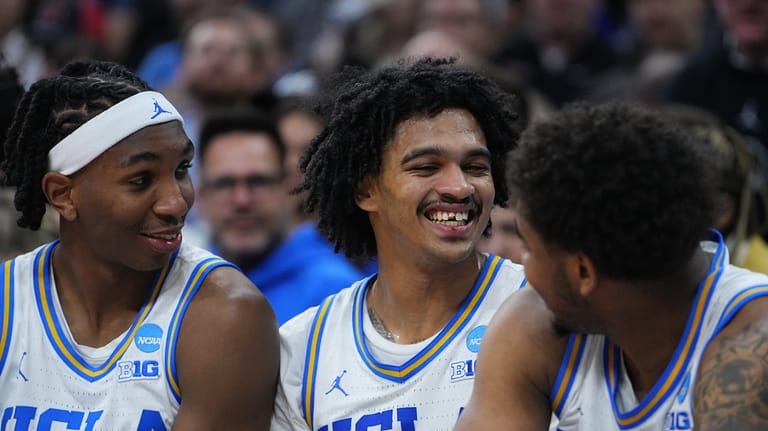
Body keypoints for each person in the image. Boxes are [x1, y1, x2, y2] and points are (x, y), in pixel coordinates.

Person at [0, 59, 279, 430]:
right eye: (140, 179)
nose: (177, 203)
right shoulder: (8, 302)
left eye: (181, 170)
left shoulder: (225, 315)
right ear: (63, 195)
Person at [454, 102, 768, 430]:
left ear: (583, 272)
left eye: (530, 249)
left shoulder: (752, 344)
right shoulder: (533, 324)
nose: (523, 269)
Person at [271, 57, 526, 430]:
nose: (459, 188)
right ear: (365, 190)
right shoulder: (304, 350)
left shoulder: (544, 309)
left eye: (475, 167)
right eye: (426, 167)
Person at [195, 107, 363, 324]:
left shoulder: (337, 293)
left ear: (288, 188)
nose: (242, 200)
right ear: (201, 198)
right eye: (224, 184)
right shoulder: (183, 285)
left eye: (258, 182)